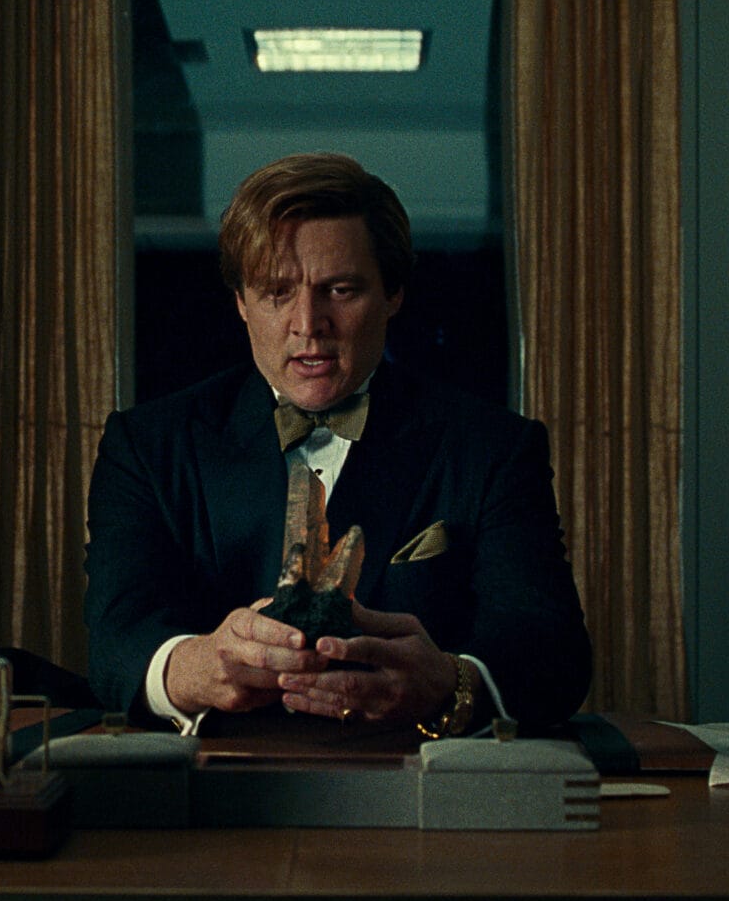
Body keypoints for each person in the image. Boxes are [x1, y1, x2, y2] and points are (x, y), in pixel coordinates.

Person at [85, 152, 591, 734]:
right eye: (277, 292)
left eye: (341, 290)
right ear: (241, 302)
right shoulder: (146, 447)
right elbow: (116, 642)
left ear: (393, 293)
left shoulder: (494, 449)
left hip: (416, 775)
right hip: (212, 777)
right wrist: (198, 668)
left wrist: (450, 683)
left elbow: (552, 654)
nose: (309, 323)